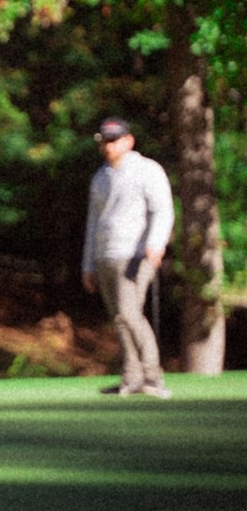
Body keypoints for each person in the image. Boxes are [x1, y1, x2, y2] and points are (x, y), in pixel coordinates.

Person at [81, 117, 174, 398]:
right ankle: (131, 377)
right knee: (119, 318)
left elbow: (162, 210)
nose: (108, 146)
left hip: (135, 254)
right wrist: (88, 264)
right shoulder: (100, 178)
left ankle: (152, 376)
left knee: (129, 313)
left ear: (128, 141)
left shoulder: (147, 170)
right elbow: (93, 222)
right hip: (105, 256)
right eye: (104, 141)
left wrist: (156, 244)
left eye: (113, 140)